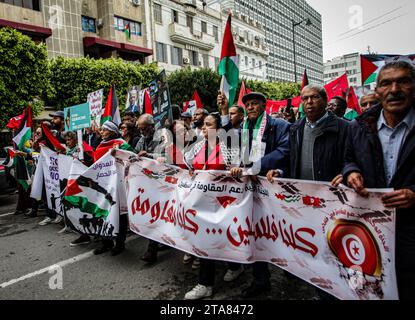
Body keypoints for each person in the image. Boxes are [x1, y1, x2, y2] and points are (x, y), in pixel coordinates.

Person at [340, 61, 415, 300]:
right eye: (386, 83)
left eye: (402, 81)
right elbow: (348, 158)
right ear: (377, 90)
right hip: (372, 233)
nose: (394, 89)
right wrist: (351, 172)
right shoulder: (358, 127)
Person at [229, 92, 290, 298]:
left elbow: (284, 150)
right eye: (248, 105)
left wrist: (258, 167)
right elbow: (238, 154)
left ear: (264, 105)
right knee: (255, 233)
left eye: (255, 104)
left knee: (279, 231)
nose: (251, 108)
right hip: (250, 189)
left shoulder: (279, 125)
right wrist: (238, 167)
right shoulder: (243, 128)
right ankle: (260, 279)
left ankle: (292, 269)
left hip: (271, 187)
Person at [184, 113, 242, 300]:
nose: (203, 128)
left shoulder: (229, 147)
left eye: (208, 125)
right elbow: (186, 164)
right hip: (201, 203)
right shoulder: (199, 145)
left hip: (222, 203)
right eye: (203, 125)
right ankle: (205, 285)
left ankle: (235, 266)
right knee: (205, 240)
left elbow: (240, 170)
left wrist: (234, 170)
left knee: (221, 238)